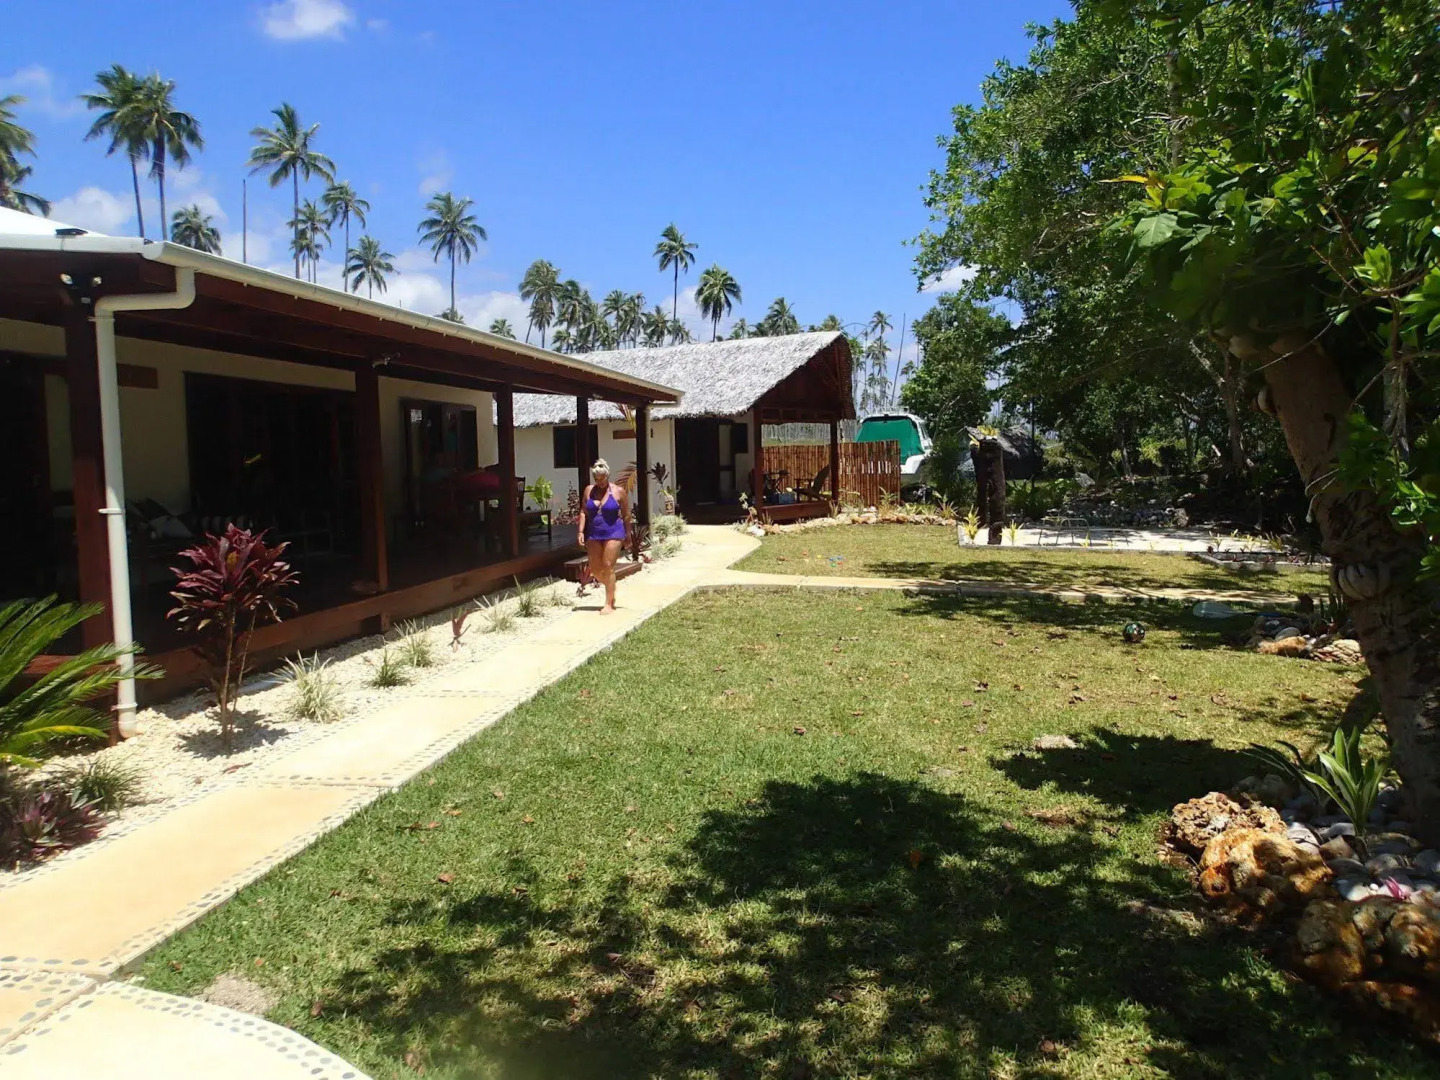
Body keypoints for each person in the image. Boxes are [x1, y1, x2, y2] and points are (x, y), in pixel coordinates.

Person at [578, 458, 628, 613]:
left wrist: (628, 536)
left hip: (614, 532)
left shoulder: (619, 491)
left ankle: (608, 603)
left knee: (608, 566)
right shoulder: (588, 490)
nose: (599, 482)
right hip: (594, 533)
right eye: (596, 479)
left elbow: (626, 515)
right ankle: (611, 587)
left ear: (608, 476)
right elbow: (583, 512)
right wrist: (580, 531)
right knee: (595, 568)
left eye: (602, 478)